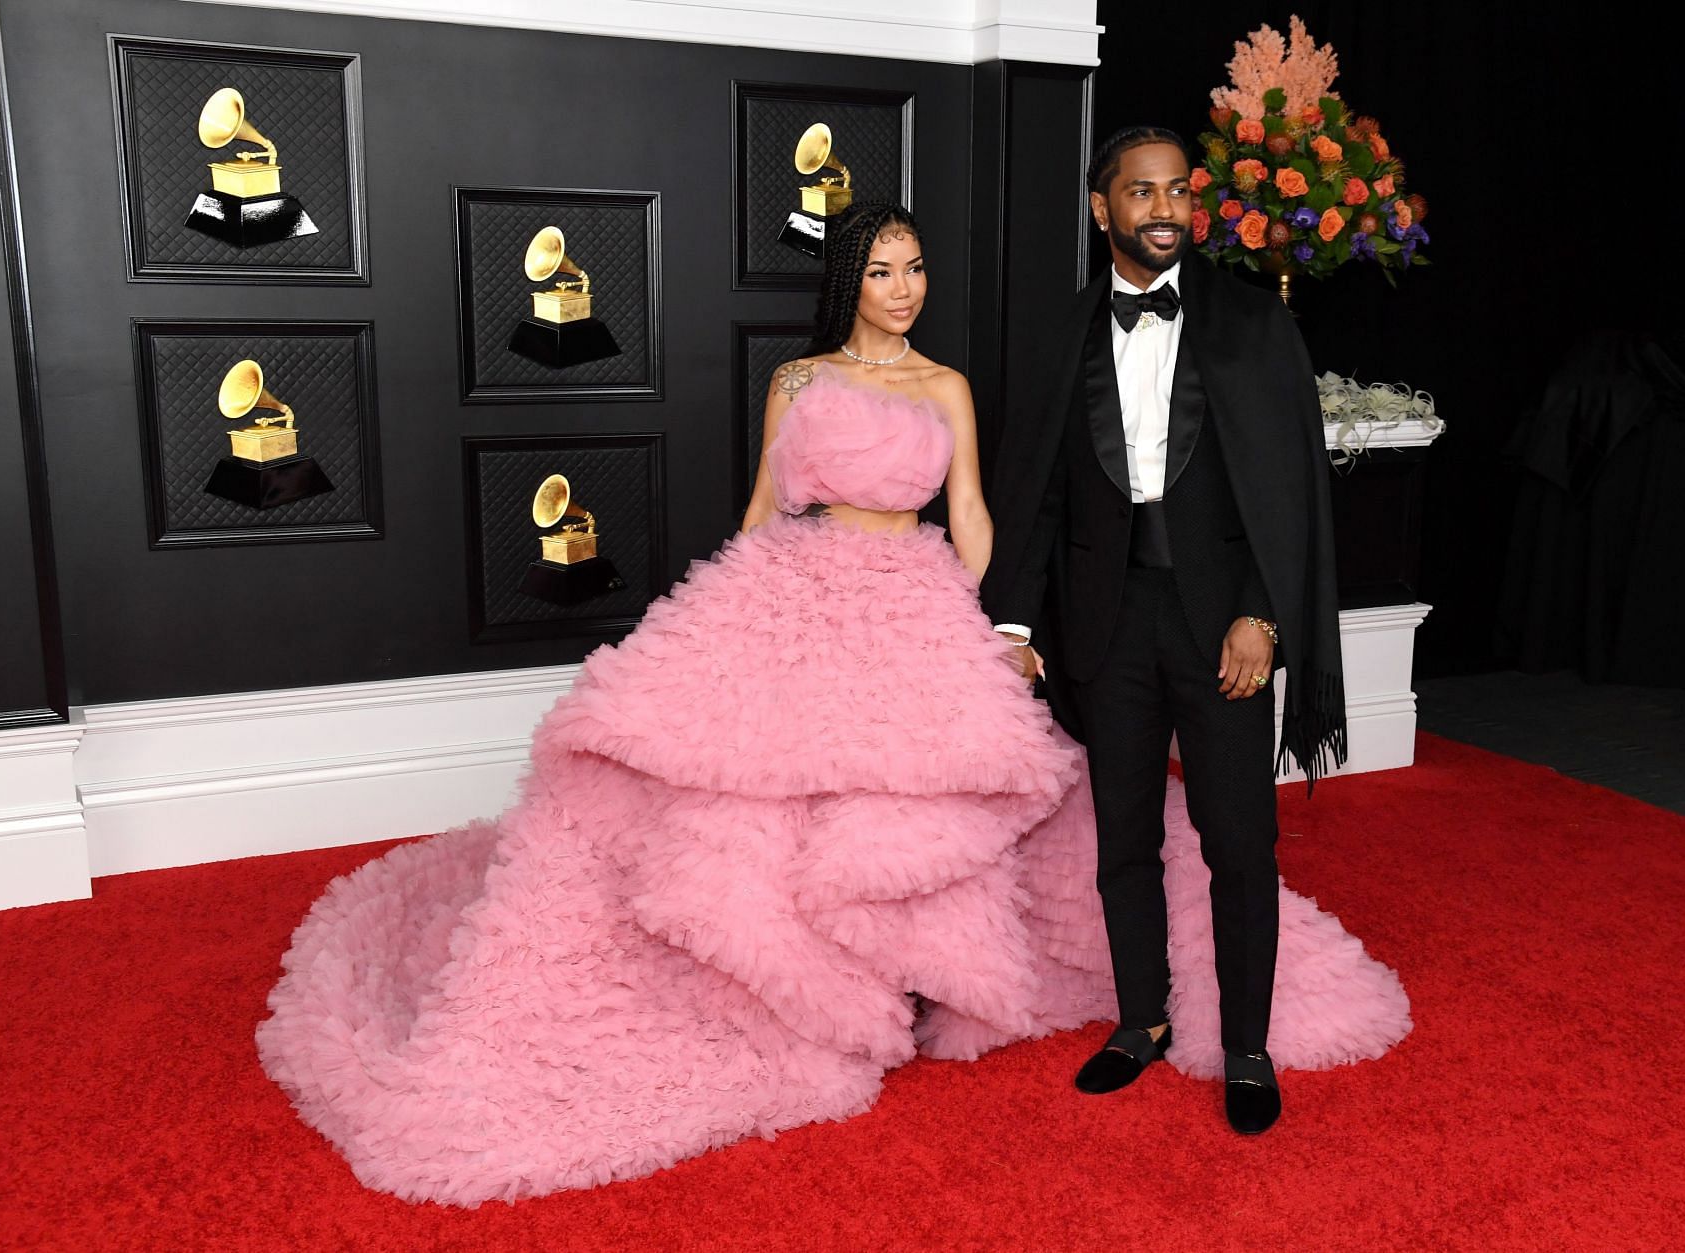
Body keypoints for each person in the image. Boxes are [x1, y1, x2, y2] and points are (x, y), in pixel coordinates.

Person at [257, 203, 1407, 1207]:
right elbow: (763, 502)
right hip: (800, 591)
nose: (904, 292)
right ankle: (797, 1002)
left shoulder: (950, 384)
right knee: (764, 802)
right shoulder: (797, 381)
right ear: (847, 283)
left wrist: (998, 627)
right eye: (883, 272)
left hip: (914, 594)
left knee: (915, 805)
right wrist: (716, 616)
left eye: (915, 271)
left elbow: (974, 514)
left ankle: (946, 987)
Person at [981, 127, 1350, 1133]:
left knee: (1240, 838)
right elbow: (1038, 494)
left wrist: (1264, 617)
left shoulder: (1248, 326)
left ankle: (1246, 1042)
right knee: (1124, 840)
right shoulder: (1061, 333)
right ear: (1103, 210)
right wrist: (1013, 624)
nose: (1164, 209)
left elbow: (1289, 492)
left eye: (1178, 191)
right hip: (1107, 625)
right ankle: (1140, 1019)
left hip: (1222, 623)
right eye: (1141, 192)